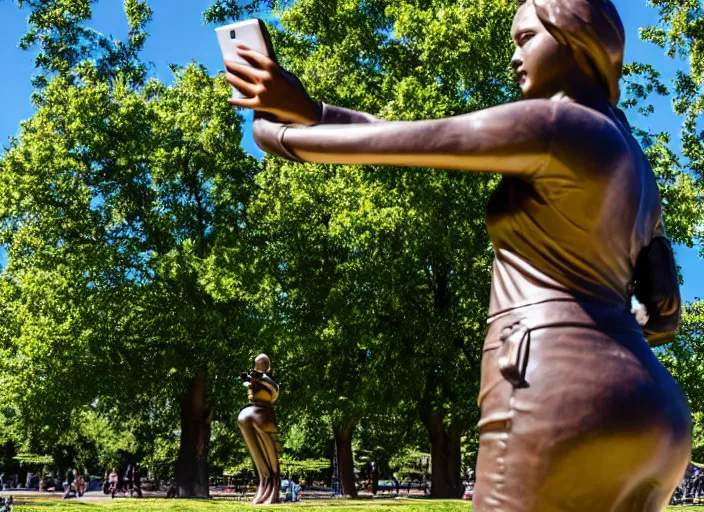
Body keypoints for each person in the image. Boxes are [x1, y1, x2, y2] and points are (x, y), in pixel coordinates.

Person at [223, 0, 691, 510]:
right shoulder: (635, 163)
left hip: (555, 390)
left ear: (576, 39)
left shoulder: (556, 124)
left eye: (525, 39)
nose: (514, 57)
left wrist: (276, 128)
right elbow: (663, 315)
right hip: (656, 412)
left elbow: (394, 141)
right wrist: (312, 112)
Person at [237, 353, 281, 505]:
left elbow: (274, 391)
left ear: (266, 366)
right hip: (253, 409)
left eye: (259, 365)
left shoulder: (268, 379)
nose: (256, 368)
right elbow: (248, 388)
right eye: (255, 365)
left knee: (258, 424)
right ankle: (264, 478)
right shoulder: (255, 378)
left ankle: (273, 482)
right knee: (243, 418)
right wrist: (247, 381)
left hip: (263, 411)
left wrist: (261, 378)